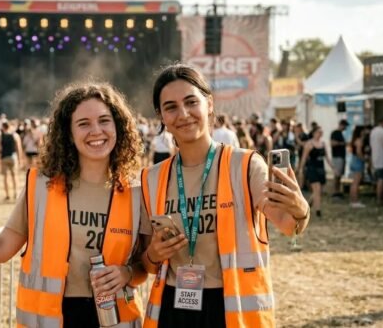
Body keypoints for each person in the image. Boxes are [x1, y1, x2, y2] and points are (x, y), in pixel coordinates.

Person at [0, 82, 148, 327]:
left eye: (104, 120)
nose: (96, 131)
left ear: (118, 126)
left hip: (116, 318)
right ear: (68, 133)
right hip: (53, 318)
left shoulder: (137, 192)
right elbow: (1, 248)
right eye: (83, 123)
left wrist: (127, 273)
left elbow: (144, 265)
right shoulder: (41, 187)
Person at [139, 64, 309, 327]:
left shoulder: (245, 165)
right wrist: (153, 253)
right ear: (161, 116)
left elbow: (288, 224)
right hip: (172, 309)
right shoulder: (152, 178)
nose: (183, 114)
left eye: (191, 102)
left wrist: (300, 210)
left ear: (209, 104)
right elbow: (147, 263)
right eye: (171, 107)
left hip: (231, 308)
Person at [298, 126, 333, 218]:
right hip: (312, 168)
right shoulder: (309, 144)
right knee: (316, 189)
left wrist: (332, 167)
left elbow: (327, 157)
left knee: (319, 191)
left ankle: (308, 205)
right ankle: (318, 210)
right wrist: (301, 169)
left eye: (321, 132)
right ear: (314, 133)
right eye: (318, 132)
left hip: (321, 169)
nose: (320, 134)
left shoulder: (323, 143)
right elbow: (304, 157)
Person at [369, 116, 383, 205]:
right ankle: (380, 199)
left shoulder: (373, 131)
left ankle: (379, 198)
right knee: (382, 180)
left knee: (378, 179)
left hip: (375, 158)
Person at [0, 122, 23, 200]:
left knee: (5, 177)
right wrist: (20, 159)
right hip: (13, 156)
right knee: (14, 176)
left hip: (4, 157)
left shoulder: (1, 136)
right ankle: (16, 193)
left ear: (3, 127)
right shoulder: (15, 135)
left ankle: (7, 194)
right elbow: (19, 148)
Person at [348, 126, 367, 208]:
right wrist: (364, 159)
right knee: (356, 183)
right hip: (358, 162)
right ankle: (355, 201)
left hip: (354, 160)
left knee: (354, 183)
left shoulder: (354, 140)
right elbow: (359, 152)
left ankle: (353, 200)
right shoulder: (359, 140)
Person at [330, 120, 349, 198]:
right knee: (337, 175)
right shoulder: (335, 133)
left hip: (341, 156)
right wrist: (342, 143)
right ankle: (335, 191)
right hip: (337, 157)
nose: (345, 128)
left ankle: (338, 191)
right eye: (345, 126)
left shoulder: (341, 133)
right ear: (341, 125)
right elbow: (332, 143)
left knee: (339, 175)